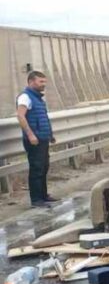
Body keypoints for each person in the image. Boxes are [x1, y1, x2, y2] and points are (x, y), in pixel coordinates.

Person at [16, 70, 58, 207]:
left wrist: (50, 135)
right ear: (31, 82)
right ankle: (36, 199)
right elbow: (21, 116)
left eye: (44, 82)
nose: (43, 84)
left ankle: (44, 195)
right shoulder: (25, 97)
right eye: (40, 82)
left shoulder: (38, 98)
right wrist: (30, 134)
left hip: (42, 138)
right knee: (37, 168)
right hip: (34, 139)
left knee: (44, 167)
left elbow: (43, 118)